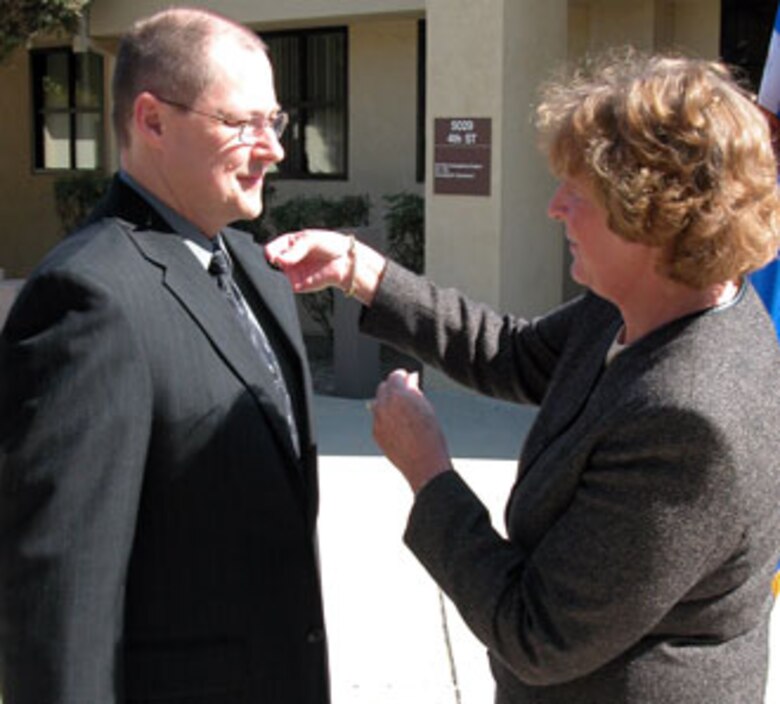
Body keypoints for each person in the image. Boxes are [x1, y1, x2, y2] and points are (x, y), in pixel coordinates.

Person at [266, 52, 780, 703]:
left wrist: (429, 474)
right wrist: (360, 271)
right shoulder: (643, 306)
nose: (555, 207)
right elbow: (512, 354)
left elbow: (538, 634)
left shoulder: (691, 420)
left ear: (655, 216)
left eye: (580, 192)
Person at [0, 8, 328, 704]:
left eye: (276, 121)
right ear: (152, 121)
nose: (272, 149)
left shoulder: (257, 269)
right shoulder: (88, 300)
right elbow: (62, 607)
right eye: (244, 124)